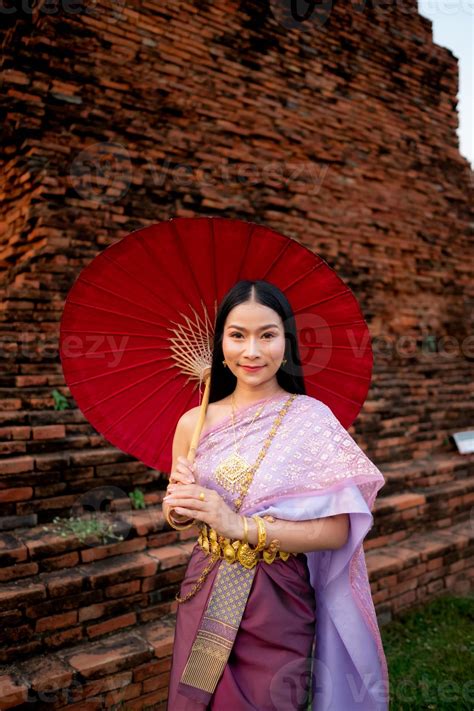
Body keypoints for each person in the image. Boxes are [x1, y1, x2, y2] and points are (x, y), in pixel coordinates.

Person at [163, 280, 389, 711]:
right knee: (196, 699)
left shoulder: (310, 419)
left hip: (276, 596)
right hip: (206, 582)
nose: (252, 351)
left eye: (267, 335)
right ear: (221, 343)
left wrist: (237, 525)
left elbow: (337, 531)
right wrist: (177, 505)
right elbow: (179, 515)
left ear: (286, 344)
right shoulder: (193, 422)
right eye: (237, 335)